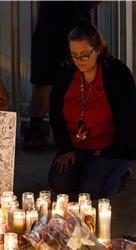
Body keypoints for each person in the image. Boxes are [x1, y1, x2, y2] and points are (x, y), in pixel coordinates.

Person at [48, 21, 136, 199]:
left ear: (98, 49)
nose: (79, 61)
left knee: (91, 189)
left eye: (84, 55)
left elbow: (128, 117)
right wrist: (65, 148)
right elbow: (56, 112)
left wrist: (113, 150)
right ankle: (89, 168)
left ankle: (121, 170)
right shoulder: (67, 73)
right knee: (60, 184)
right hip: (76, 144)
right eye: (74, 55)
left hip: (109, 145)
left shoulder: (117, 74)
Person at [24, 1, 99, 151]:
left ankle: (35, 132)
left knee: (44, 82)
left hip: (49, 30)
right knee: (78, 79)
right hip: (71, 28)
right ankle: (79, 133)